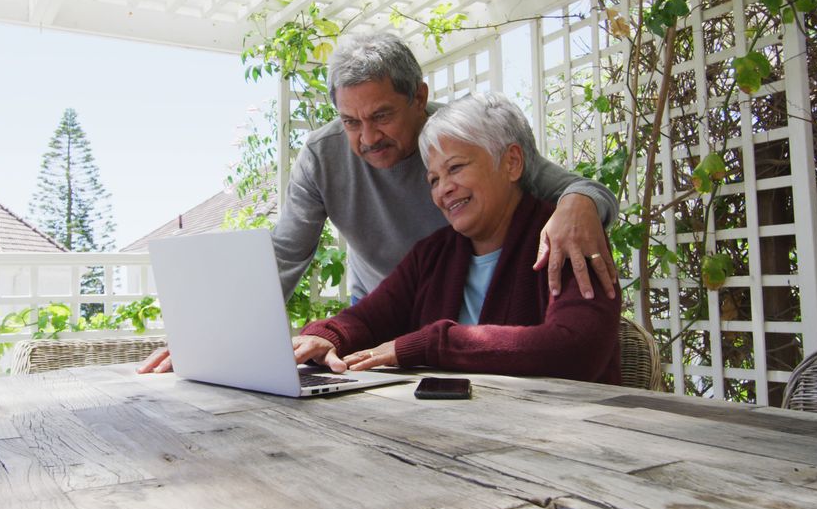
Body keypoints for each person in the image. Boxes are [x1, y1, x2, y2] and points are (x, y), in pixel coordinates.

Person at [139, 34, 618, 374]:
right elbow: (290, 257)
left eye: (382, 115)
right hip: (397, 315)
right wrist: (216, 339)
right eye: (350, 121)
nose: (367, 138)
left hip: (459, 343)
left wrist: (580, 203)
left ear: (419, 99)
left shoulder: (464, 134)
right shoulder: (428, 247)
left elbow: (568, 189)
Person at [293, 93, 621, 382]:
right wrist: (328, 336)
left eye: (456, 168)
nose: (443, 190)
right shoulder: (433, 255)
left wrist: (430, 344)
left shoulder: (567, 236)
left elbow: (576, 350)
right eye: (434, 179)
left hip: (570, 438)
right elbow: (368, 318)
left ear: (511, 162)